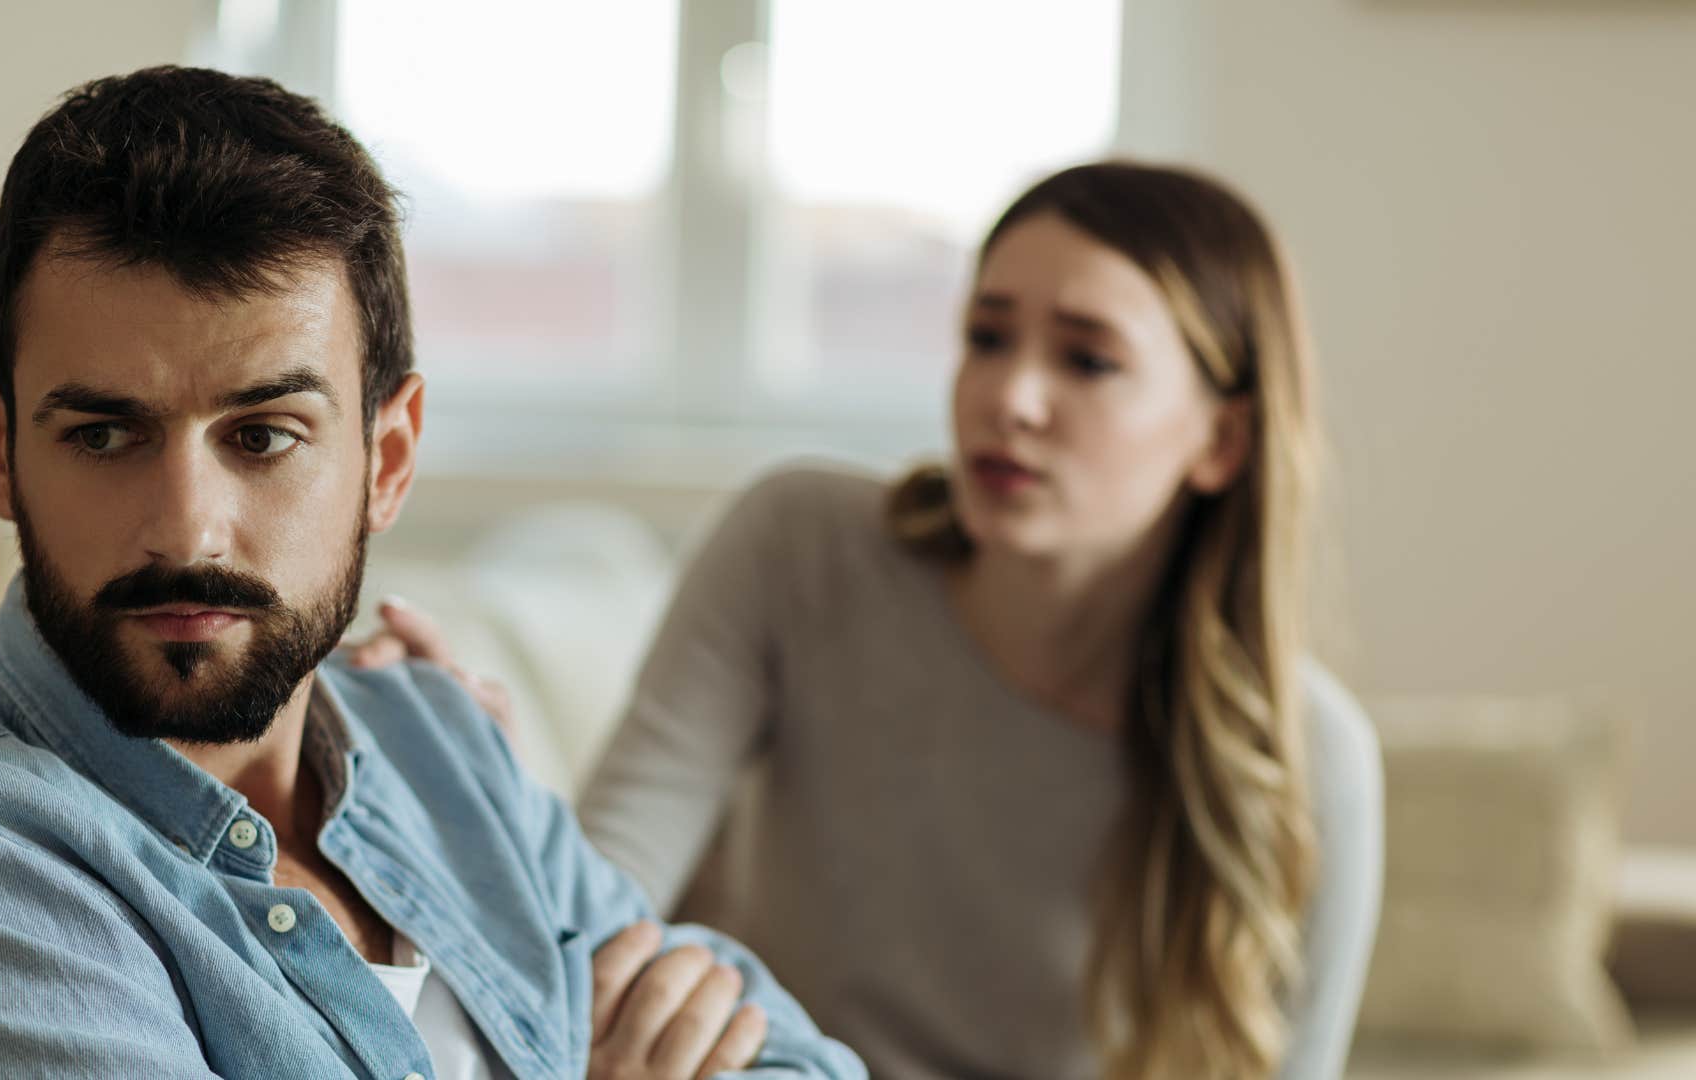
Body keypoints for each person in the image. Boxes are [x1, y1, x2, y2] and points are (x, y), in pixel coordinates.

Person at [0, 66, 862, 1080]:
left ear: (388, 459)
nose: (189, 531)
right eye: (104, 436)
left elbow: (796, 1059)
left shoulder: (439, 743)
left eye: (263, 437)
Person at [354, 163, 1385, 1079]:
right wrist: (477, 782)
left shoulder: (1308, 756)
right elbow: (594, 918)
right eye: (987, 337)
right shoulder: (800, 546)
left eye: (1088, 360)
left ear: (1222, 441)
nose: (1011, 396)